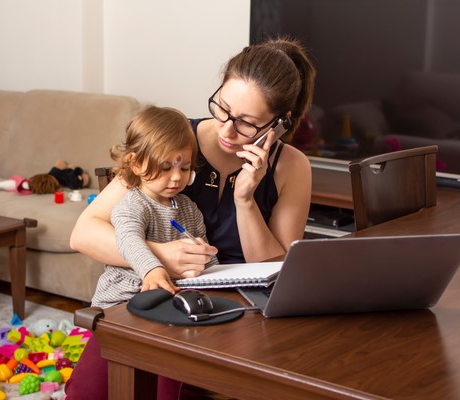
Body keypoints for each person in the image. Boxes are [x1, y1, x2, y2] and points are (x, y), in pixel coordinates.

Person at [66, 36, 316, 399]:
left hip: (236, 311)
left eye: (247, 123)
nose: (227, 130)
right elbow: (84, 233)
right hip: (154, 291)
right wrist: (161, 257)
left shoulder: (292, 166)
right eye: (223, 109)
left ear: (278, 124)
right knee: (85, 393)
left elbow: (276, 270)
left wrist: (245, 198)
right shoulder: (174, 139)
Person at [92, 105, 218, 310]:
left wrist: (216, 275)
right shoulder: (132, 204)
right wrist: (152, 269)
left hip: (168, 296)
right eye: (165, 168)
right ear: (135, 164)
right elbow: (128, 241)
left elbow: (203, 255)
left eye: (185, 168)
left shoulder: (190, 209)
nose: (177, 177)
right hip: (122, 299)